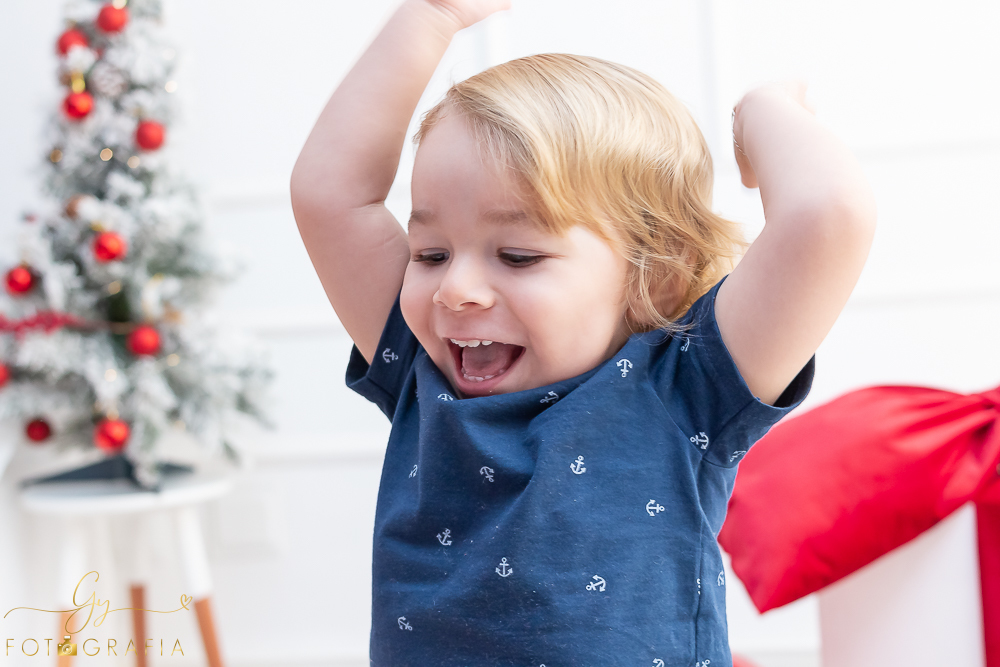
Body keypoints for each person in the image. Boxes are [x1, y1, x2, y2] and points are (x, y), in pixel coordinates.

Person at [290, 1, 876, 664]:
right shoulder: (420, 373)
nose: (455, 288)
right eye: (431, 254)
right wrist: (431, 16)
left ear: (652, 276)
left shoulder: (684, 390)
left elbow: (828, 215)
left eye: (518, 256)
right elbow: (330, 193)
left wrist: (764, 111)